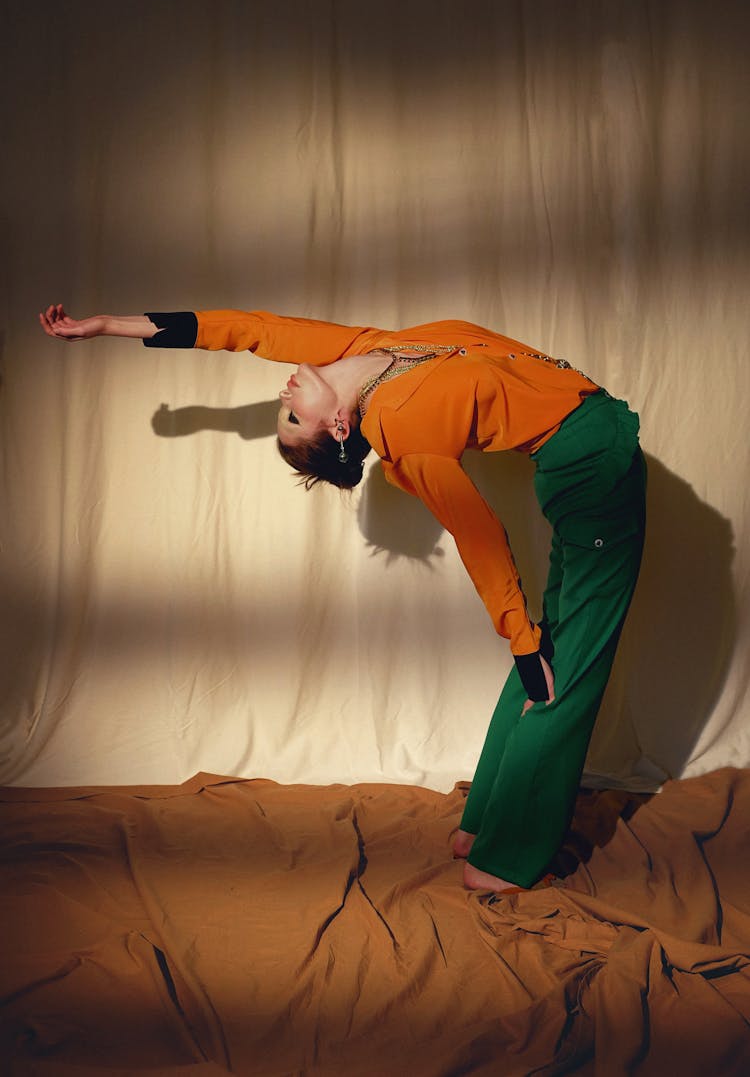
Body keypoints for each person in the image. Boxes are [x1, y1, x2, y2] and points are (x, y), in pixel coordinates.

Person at [40, 302, 646, 895]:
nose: (283, 400)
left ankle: (485, 824)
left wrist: (107, 326)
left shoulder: (367, 351)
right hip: (592, 464)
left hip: (585, 455)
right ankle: (506, 861)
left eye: (283, 415)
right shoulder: (403, 428)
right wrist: (516, 638)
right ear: (337, 426)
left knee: (554, 647)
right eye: (293, 418)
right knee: (566, 671)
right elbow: (477, 534)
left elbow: (251, 330)